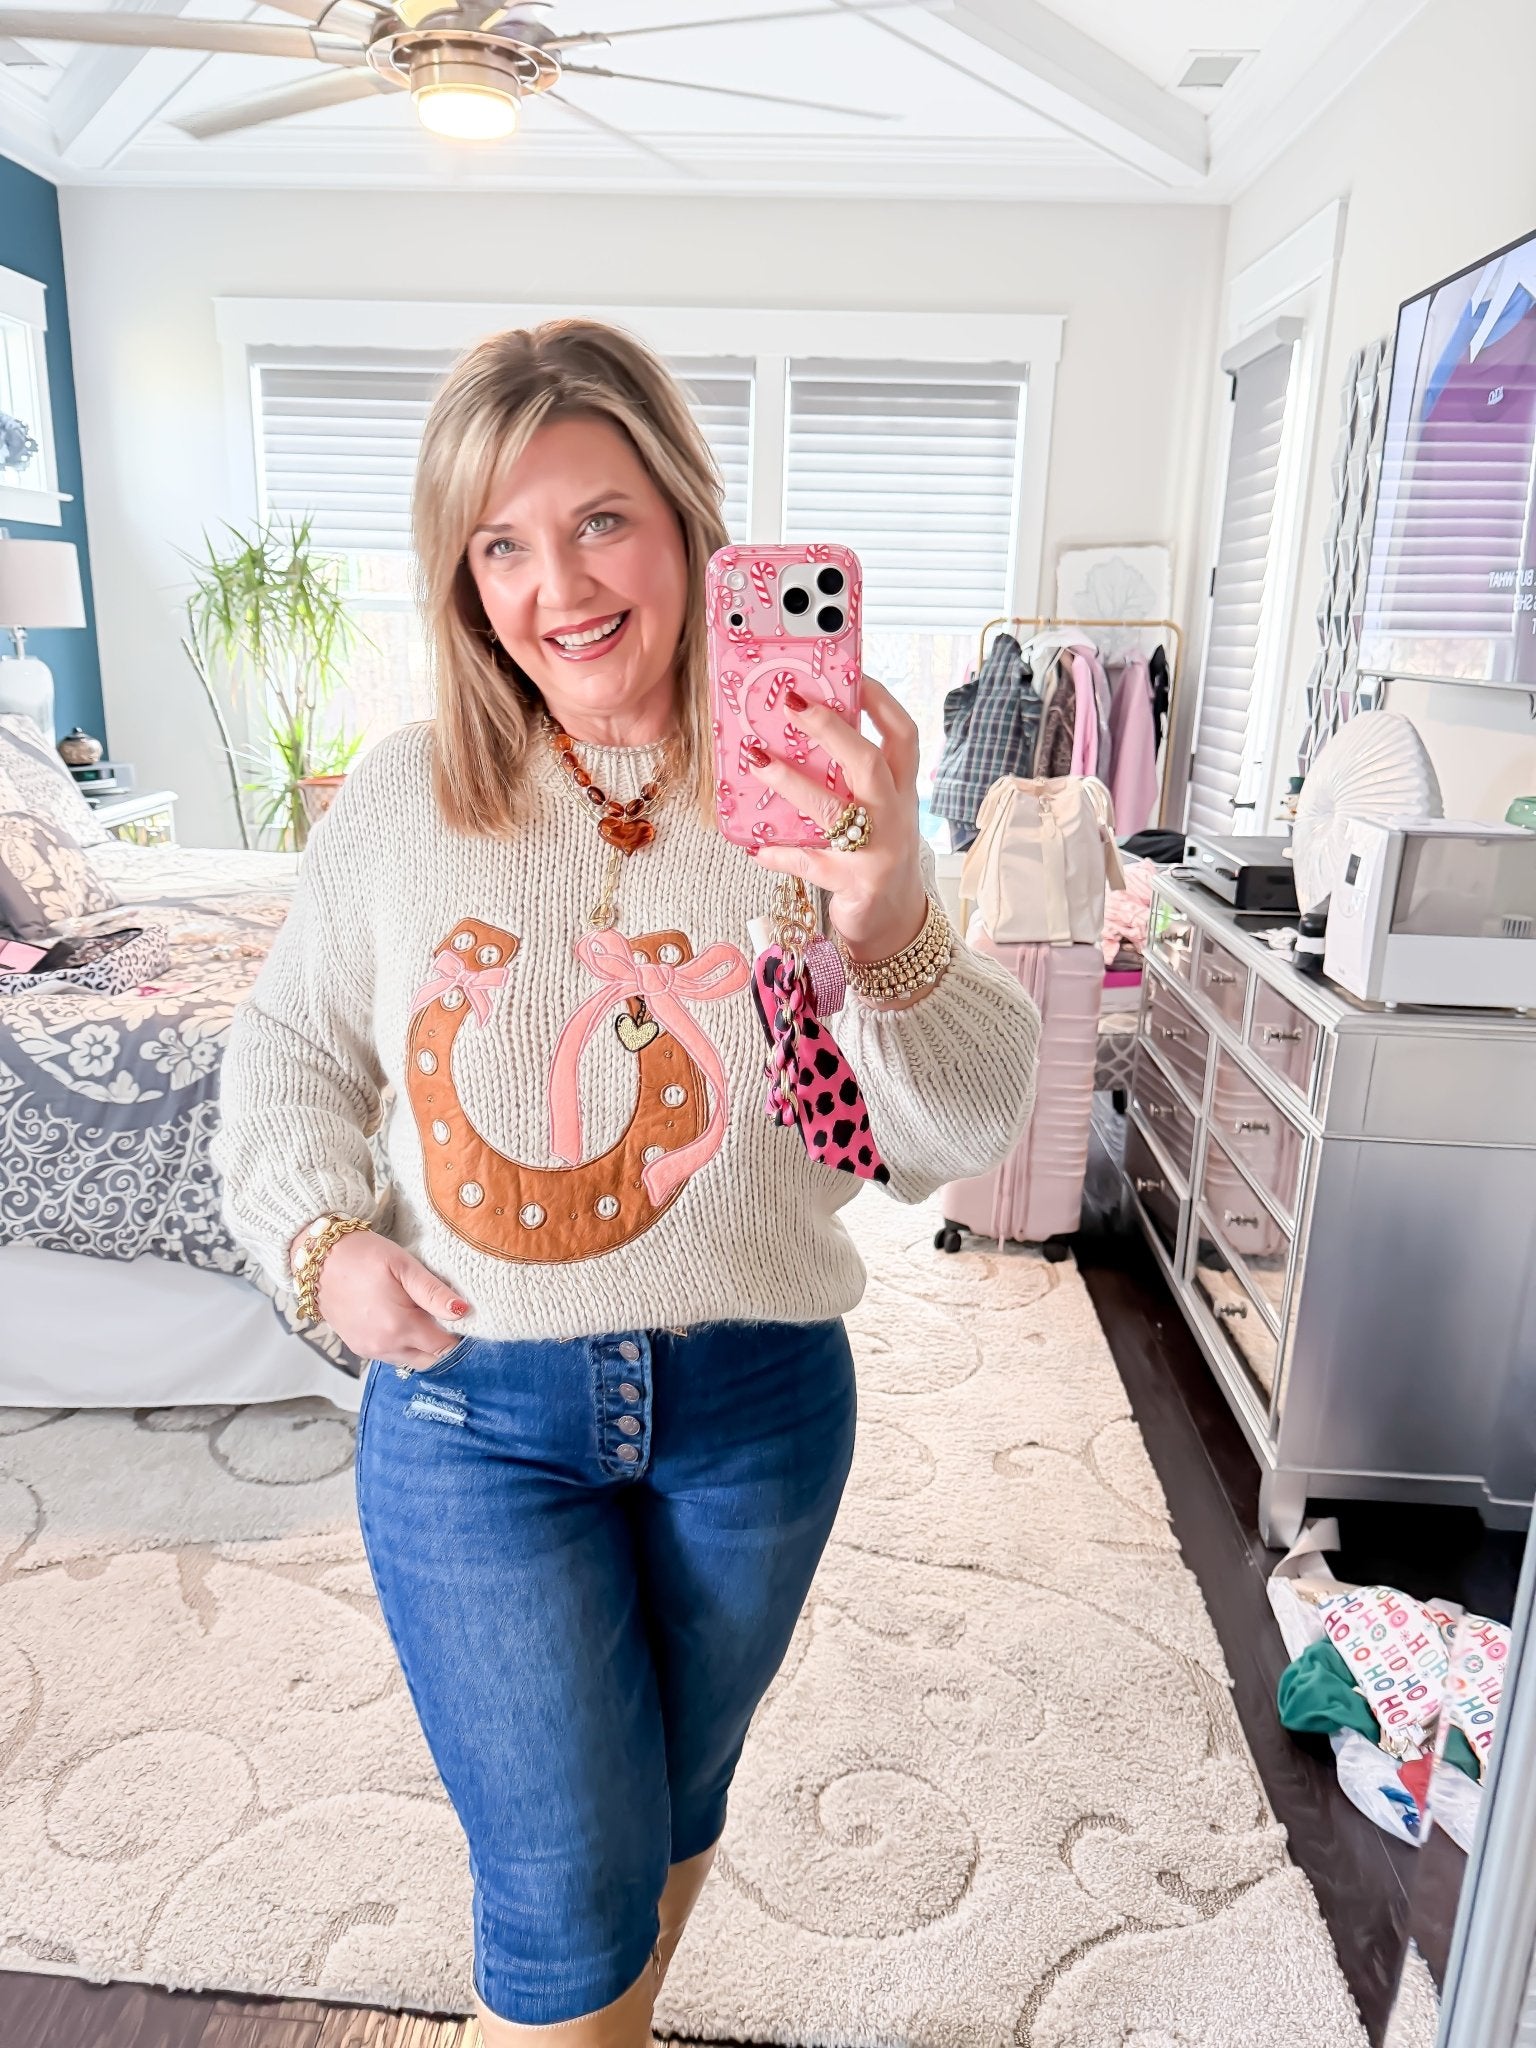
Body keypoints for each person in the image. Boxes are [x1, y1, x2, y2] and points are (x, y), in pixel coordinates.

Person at [210, 318, 1041, 2048]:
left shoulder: (816, 794)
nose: (559, 587)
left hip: (761, 1410)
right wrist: (321, 1246)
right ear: (461, 582)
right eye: (499, 546)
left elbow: (950, 1131)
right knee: (562, 1890)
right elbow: (289, 1052)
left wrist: (890, 912)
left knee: (668, 1800)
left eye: (600, 521)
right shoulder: (404, 799)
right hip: (475, 1418)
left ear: (684, 520)